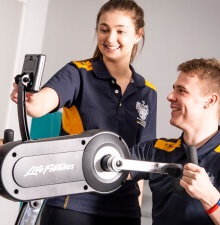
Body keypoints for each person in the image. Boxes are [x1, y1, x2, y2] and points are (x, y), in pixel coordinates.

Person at [10, 0, 157, 224]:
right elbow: (39, 105)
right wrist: (28, 98)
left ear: (138, 34)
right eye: (104, 29)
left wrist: (134, 209)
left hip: (124, 208)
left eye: (120, 31)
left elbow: (140, 159)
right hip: (72, 202)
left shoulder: (148, 92)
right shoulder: (78, 73)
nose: (110, 39)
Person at [129, 58, 220, 225]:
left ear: (210, 101)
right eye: (173, 89)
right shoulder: (157, 149)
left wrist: (209, 196)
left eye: (182, 91)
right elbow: (108, 168)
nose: (170, 96)